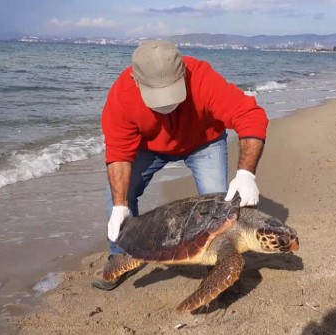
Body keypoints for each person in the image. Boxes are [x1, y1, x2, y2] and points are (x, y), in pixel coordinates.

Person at [92, 40, 269, 290]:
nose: (166, 105)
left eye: (173, 93)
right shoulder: (122, 95)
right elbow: (119, 153)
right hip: (149, 147)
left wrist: (246, 173)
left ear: (183, 73)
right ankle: (119, 255)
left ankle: (220, 261)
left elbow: (249, 115)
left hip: (204, 142)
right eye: (157, 97)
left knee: (221, 206)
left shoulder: (202, 78)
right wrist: (121, 205)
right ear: (135, 80)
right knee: (116, 199)